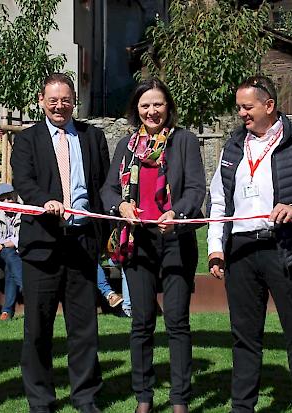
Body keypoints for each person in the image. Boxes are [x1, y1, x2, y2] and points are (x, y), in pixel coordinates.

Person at [207, 75, 292, 413]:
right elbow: (218, 201)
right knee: (244, 337)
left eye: (247, 107)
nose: (241, 114)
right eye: (238, 108)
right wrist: (216, 248)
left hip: (286, 248)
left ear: (269, 105)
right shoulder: (233, 146)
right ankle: (243, 408)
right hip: (241, 252)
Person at [101, 78, 206, 413]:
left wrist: (177, 212)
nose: (152, 111)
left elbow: (195, 189)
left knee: (176, 321)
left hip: (175, 241)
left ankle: (179, 400)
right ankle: (143, 397)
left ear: (168, 107)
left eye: (158, 104)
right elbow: (107, 191)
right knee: (142, 321)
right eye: (145, 105)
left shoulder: (184, 141)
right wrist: (122, 207)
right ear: (137, 110)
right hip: (137, 243)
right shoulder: (126, 146)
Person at [11, 73, 109, 413]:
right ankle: (41, 400)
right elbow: (23, 180)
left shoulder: (92, 136)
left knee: (84, 328)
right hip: (43, 243)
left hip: (82, 242)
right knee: (38, 328)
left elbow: (102, 186)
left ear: (73, 101)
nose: (59, 106)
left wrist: (102, 235)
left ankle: (85, 397)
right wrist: (46, 200)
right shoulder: (27, 140)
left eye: (66, 99)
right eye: (53, 100)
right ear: (41, 100)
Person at [0, 183, 23, 320]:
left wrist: (1, 246)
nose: (7, 202)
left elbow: (22, 238)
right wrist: (2, 246)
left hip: (17, 253)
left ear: (15, 196)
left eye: (9, 198)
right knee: (9, 254)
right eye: (2, 200)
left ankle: (7, 312)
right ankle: (24, 285)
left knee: (10, 264)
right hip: (1, 255)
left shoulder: (23, 210)